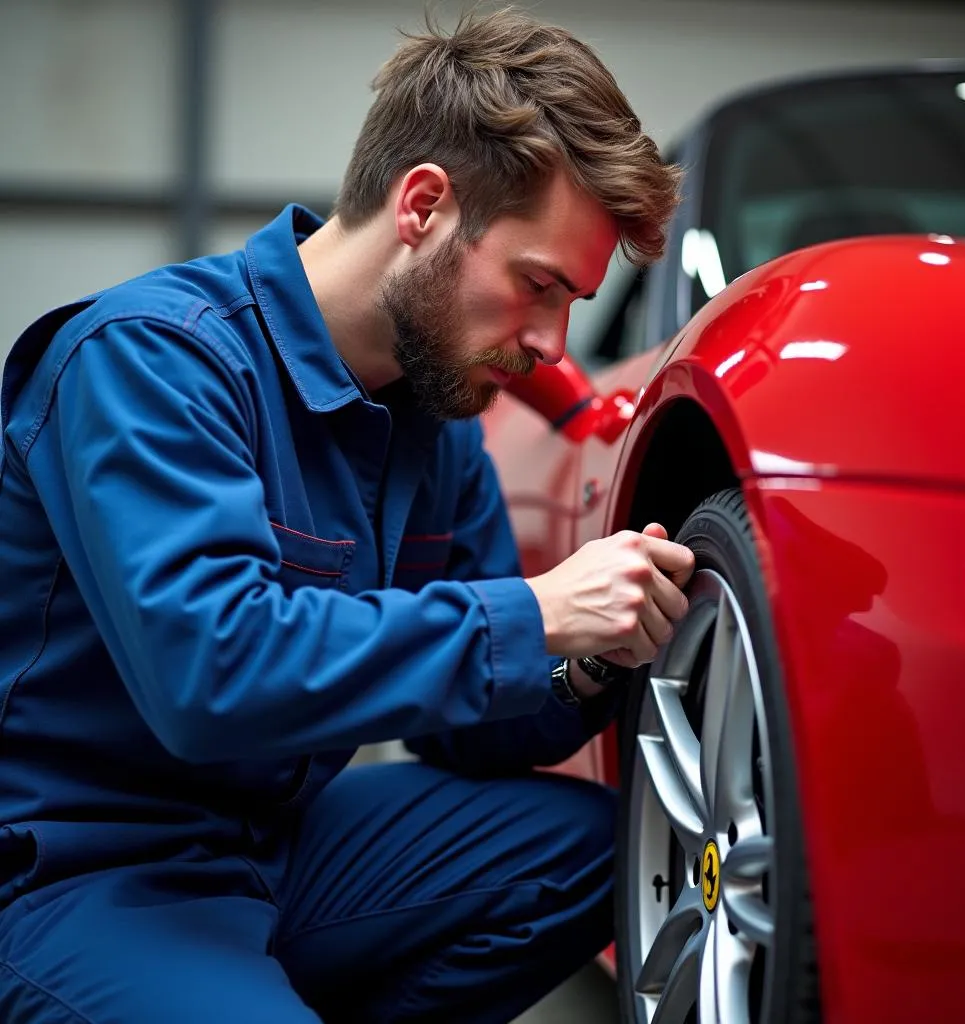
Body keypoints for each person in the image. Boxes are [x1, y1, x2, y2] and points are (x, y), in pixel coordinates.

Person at [0, 8, 691, 1023]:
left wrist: (591, 652)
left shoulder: (434, 417)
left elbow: (473, 740)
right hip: (76, 868)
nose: (550, 341)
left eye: (573, 302)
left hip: (273, 843)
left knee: (588, 842)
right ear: (422, 206)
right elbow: (212, 674)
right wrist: (536, 609)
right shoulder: (150, 360)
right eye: (536, 284)